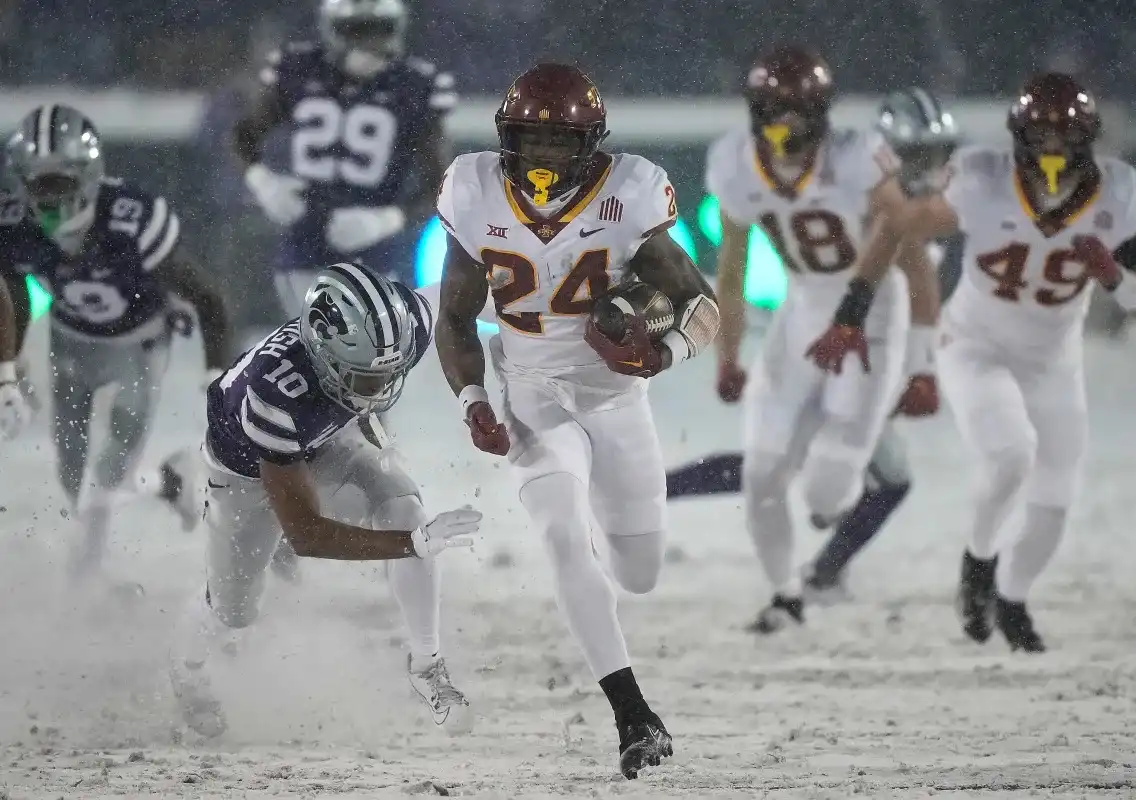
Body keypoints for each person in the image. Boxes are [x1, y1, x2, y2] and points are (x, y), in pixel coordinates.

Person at [434, 63, 719, 779]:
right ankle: (633, 714)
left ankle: (600, 528)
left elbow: (701, 306)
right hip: (531, 395)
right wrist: (473, 402)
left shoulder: (629, 193)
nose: (544, 157)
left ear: (592, 144)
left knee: (640, 571)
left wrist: (664, 351)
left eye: (561, 143)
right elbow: (456, 319)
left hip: (617, 401)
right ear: (507, 138)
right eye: (531, 140)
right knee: (563, 536)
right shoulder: (472, 190)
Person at [901, 73, 1136, 651]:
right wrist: (891, 307)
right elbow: (904, 232)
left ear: (1088, 139)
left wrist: (1115, 279)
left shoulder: (1118, 195)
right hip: (975, 344)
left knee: (1055, 503)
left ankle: (1013, 599)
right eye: (1041, 134)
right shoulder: (981, 178)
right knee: (1010, 456)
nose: (1051, 148)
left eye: (1064, 135)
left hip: (1054, 362)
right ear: (1017, 136)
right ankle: (977, 565)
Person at [668, 47, 932, 633]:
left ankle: (822, 548)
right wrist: (727, 355)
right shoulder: (734, 163)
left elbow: (908, 247)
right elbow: (731, 266)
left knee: (827, 493)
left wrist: (919, 362)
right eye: (776, 108)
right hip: (801, 311)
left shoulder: (858, 157)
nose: (788, 121)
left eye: (801, 108)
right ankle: (785, 596)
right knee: (763, 473)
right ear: (755, 109)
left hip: (872, 318)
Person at [168, 262, 480, 738]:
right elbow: (307, 534)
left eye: (388, 372)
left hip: (324, 438)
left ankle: (427, 662)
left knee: (403, 507)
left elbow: (471, 287)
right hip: (247, 472)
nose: (380, 387)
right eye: (364, 378)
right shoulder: (274, 393)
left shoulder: (402, 327)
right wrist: (413, 544)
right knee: (233, 610)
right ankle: (185, 669)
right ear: (323, 357)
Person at [0, 104, 230, 583]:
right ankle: (156, 495)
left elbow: (208, 298)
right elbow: (16, 291)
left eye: (58, 182)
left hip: (137, 344)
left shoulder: (131, 217)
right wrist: (8, 366)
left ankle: (88, 571)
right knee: (70, 469)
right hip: (69, 340)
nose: (46, 197)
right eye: (36, 183)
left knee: (107, 472)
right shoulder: (16, 222)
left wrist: (217, 381)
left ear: (88, 175)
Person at [232, 0, 455, 315]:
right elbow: (243, 135)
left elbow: (441, 182)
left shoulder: (415, 85)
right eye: (358, 30)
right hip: (305, 239)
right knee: (313, 344)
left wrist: (388, 219)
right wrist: (263, 182)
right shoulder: (299, 68)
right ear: (332, 29)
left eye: (380, 30)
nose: (370, 42)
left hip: (377, 250)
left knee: (375, 345)